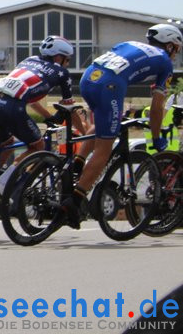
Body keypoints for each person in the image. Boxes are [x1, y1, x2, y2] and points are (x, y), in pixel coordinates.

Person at [63, 23, 181, 228]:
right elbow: (156, 107)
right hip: (110, 86)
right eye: (177, 49)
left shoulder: (130, 43)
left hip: (88, 78)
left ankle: (77, 165)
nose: (176, 54)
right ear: (170, 45)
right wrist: (155, 137)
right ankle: (74, 200)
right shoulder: (164, 62)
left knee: (101, 125)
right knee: (104, 149)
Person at [0, 35, 76, 194]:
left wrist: (48, 117)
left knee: (6, 145)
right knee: (38, 147)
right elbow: (69, 106)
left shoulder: (29, 60)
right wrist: (81, 129)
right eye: (67, 60)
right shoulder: (61, 72)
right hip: (12, 106)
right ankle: (2, 184)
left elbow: (32, 101)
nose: (67, 64)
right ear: (59, 57)